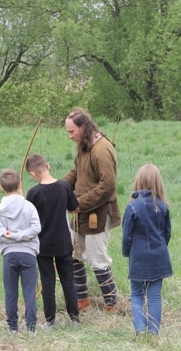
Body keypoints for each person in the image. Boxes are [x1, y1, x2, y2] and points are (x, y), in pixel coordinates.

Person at [63, 107, 121, 312]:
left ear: (84, 127)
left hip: (98, 213)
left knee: (98, 259)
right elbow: (76, 172)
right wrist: (58, 189)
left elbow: (108, 186)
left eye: (72, 132)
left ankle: (112, 304)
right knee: (73, 254)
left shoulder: (101, 149)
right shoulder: (84, 145)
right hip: (81, 214)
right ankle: (82, 300)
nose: (70, 136)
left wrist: (79, 204)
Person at [25, 154, 80, 326]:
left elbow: (28, 218)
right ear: (48, 166)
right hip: (63, 242)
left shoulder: (33, 193)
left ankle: (50, 321)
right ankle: (75, 319)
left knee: (47, 284)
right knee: (68, 281)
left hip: (43, 245)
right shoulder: (64, 186)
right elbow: (75, 208)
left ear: (32, 174)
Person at [122, 164, 172, 336]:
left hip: (138, 256)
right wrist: (160, 248)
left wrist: (126, 252)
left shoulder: (133, 206)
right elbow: (167, 233)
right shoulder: (163, 205)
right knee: (155, 296)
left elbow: (127, 234)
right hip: (159, 256)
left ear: (138, 180)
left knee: (136, 293)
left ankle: (140, 331)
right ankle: (154, 332)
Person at [0, 169, 41, 334]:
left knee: (10, 292)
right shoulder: (29, 206)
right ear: (20, 185)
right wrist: (24, 237)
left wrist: (13, 235)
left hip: (9, 255)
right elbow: (36, 228)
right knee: (29, 291)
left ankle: (13, 327)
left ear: (1, 187)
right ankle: (31, 328)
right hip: (28, 254)